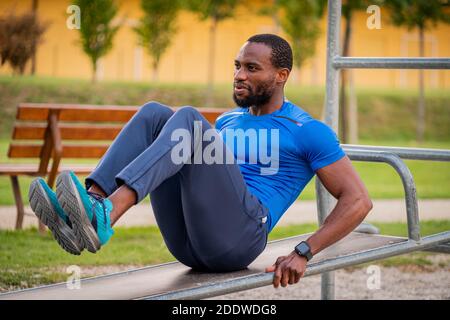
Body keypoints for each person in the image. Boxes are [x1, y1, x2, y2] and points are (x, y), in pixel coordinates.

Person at [28, 34, 372, 289]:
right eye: (237, 66)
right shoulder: (226, 122)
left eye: (252, 68)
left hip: (242, 238)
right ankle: (91, 207)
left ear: (281, 75)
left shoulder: (308, 130)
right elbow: (202, 180)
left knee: (189, 119)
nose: (240, 75)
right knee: (153, 115)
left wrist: (304, 251)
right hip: (189, 242)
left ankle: (107, 214)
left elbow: (358, 200)